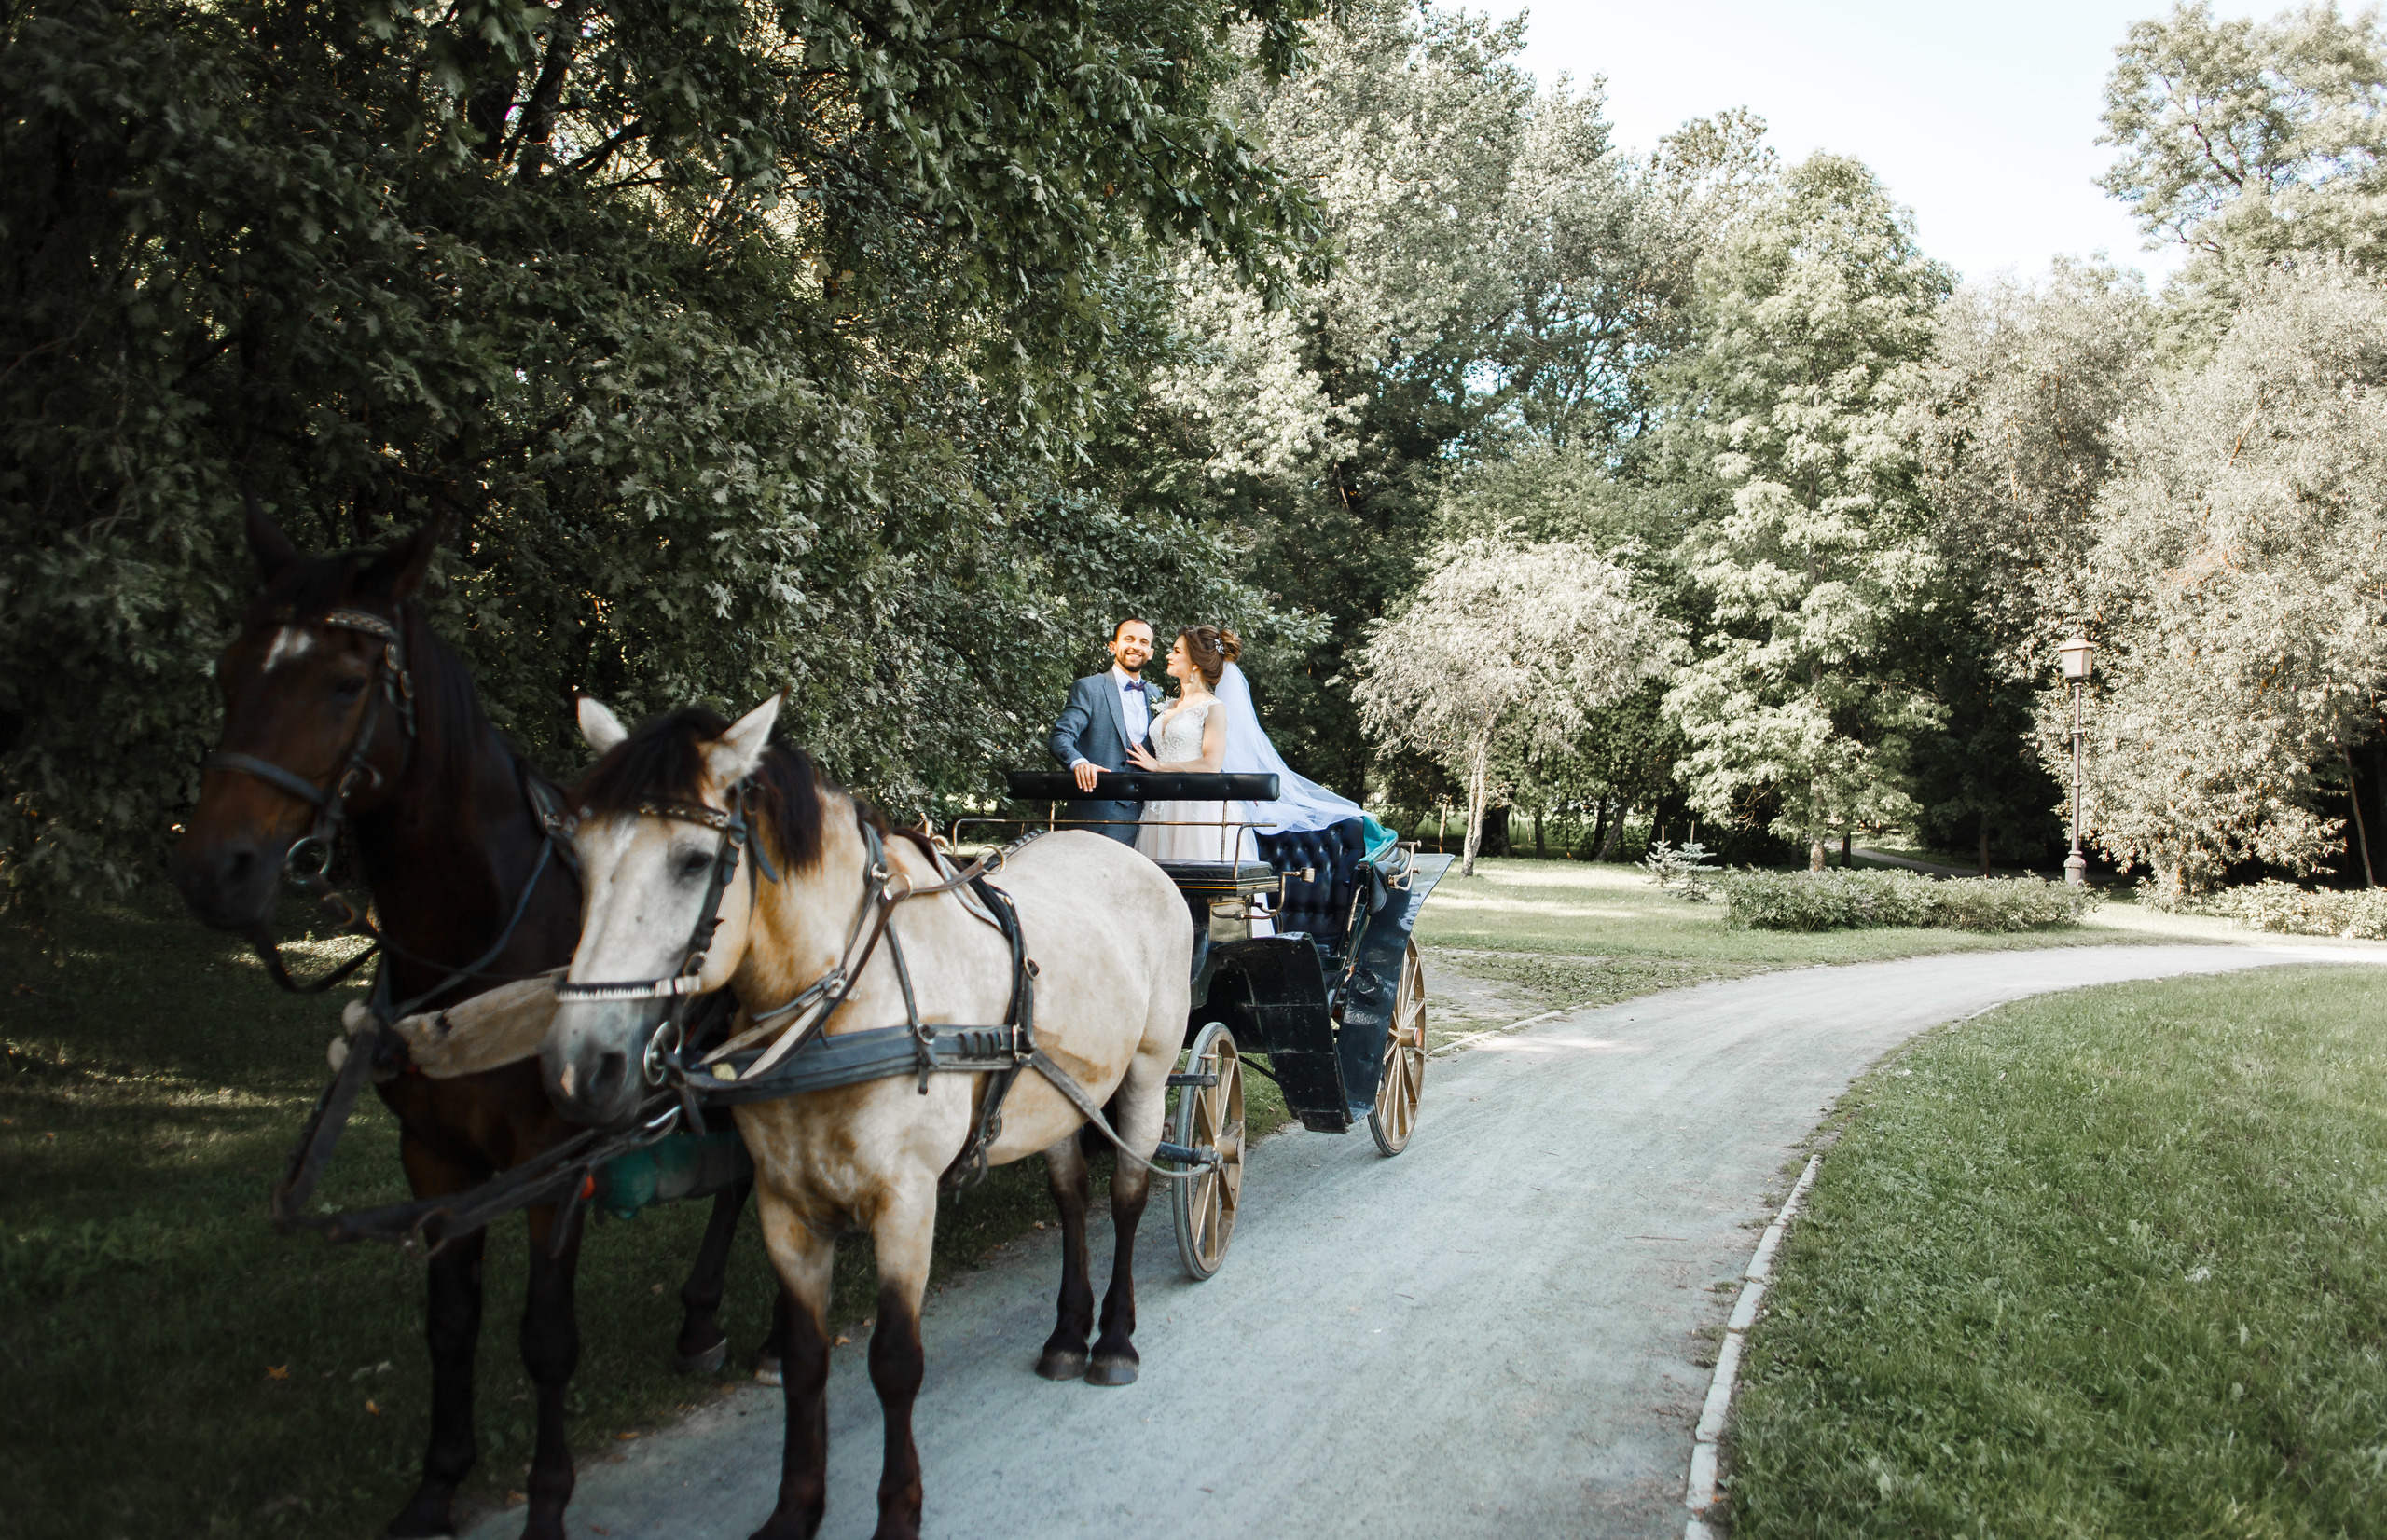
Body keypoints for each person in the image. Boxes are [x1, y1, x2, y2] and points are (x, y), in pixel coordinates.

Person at [1127, 626, 1249, 862]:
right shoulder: (1168, 705)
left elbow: (1211, 765)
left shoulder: (1213, 708)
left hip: (1195, 807)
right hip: (1159, 805)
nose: (1168, 656)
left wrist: (1158, 767)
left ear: (1194, 663)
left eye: (1176, 651)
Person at [1048, 617, 1163, 845]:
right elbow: (1060, 736)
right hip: (1098, 810)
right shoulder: (1089, 687)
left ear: (1150, 652)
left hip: (1150, 814)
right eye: (1128, 639)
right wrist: (1079, 762)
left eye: (1143, 642)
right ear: (1113, 646)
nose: (1135, 646)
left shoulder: (1156, 695)